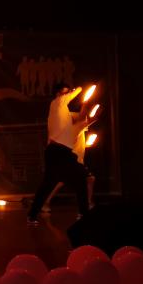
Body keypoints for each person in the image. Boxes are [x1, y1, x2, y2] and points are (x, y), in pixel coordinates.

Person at [28, 82, 90, 225]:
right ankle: (84, 213)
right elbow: (75, 92)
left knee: (48, 185)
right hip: (57, 151)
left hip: (60, 152)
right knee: (79, 176)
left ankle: (31, 215)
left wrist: (85, 103)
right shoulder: (56, 104)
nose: (67, 94)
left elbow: (82, 118)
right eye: (65, 92)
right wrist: (79, 89)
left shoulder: (66, 113)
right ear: (58, 94)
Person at [41, 108, 98, 214]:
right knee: (87, 179)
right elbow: (91, 119)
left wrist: (86, 144)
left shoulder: (74, 129)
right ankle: (87, 204)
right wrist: (96, 109)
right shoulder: (75, 128)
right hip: (72, 161)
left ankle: (45, 203)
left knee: (83, 180)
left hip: (75, 160)